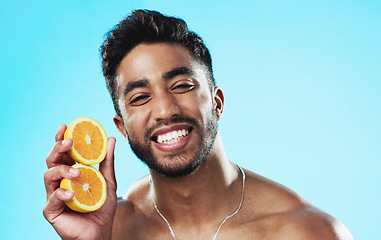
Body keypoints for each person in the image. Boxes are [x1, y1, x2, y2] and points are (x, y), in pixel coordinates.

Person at [43, 9, 354, 240]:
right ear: (122, 127)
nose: (165, 110)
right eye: (140, 97)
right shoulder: (112, 228)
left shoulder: (305, 232)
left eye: (181, 85)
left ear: (217, 102)